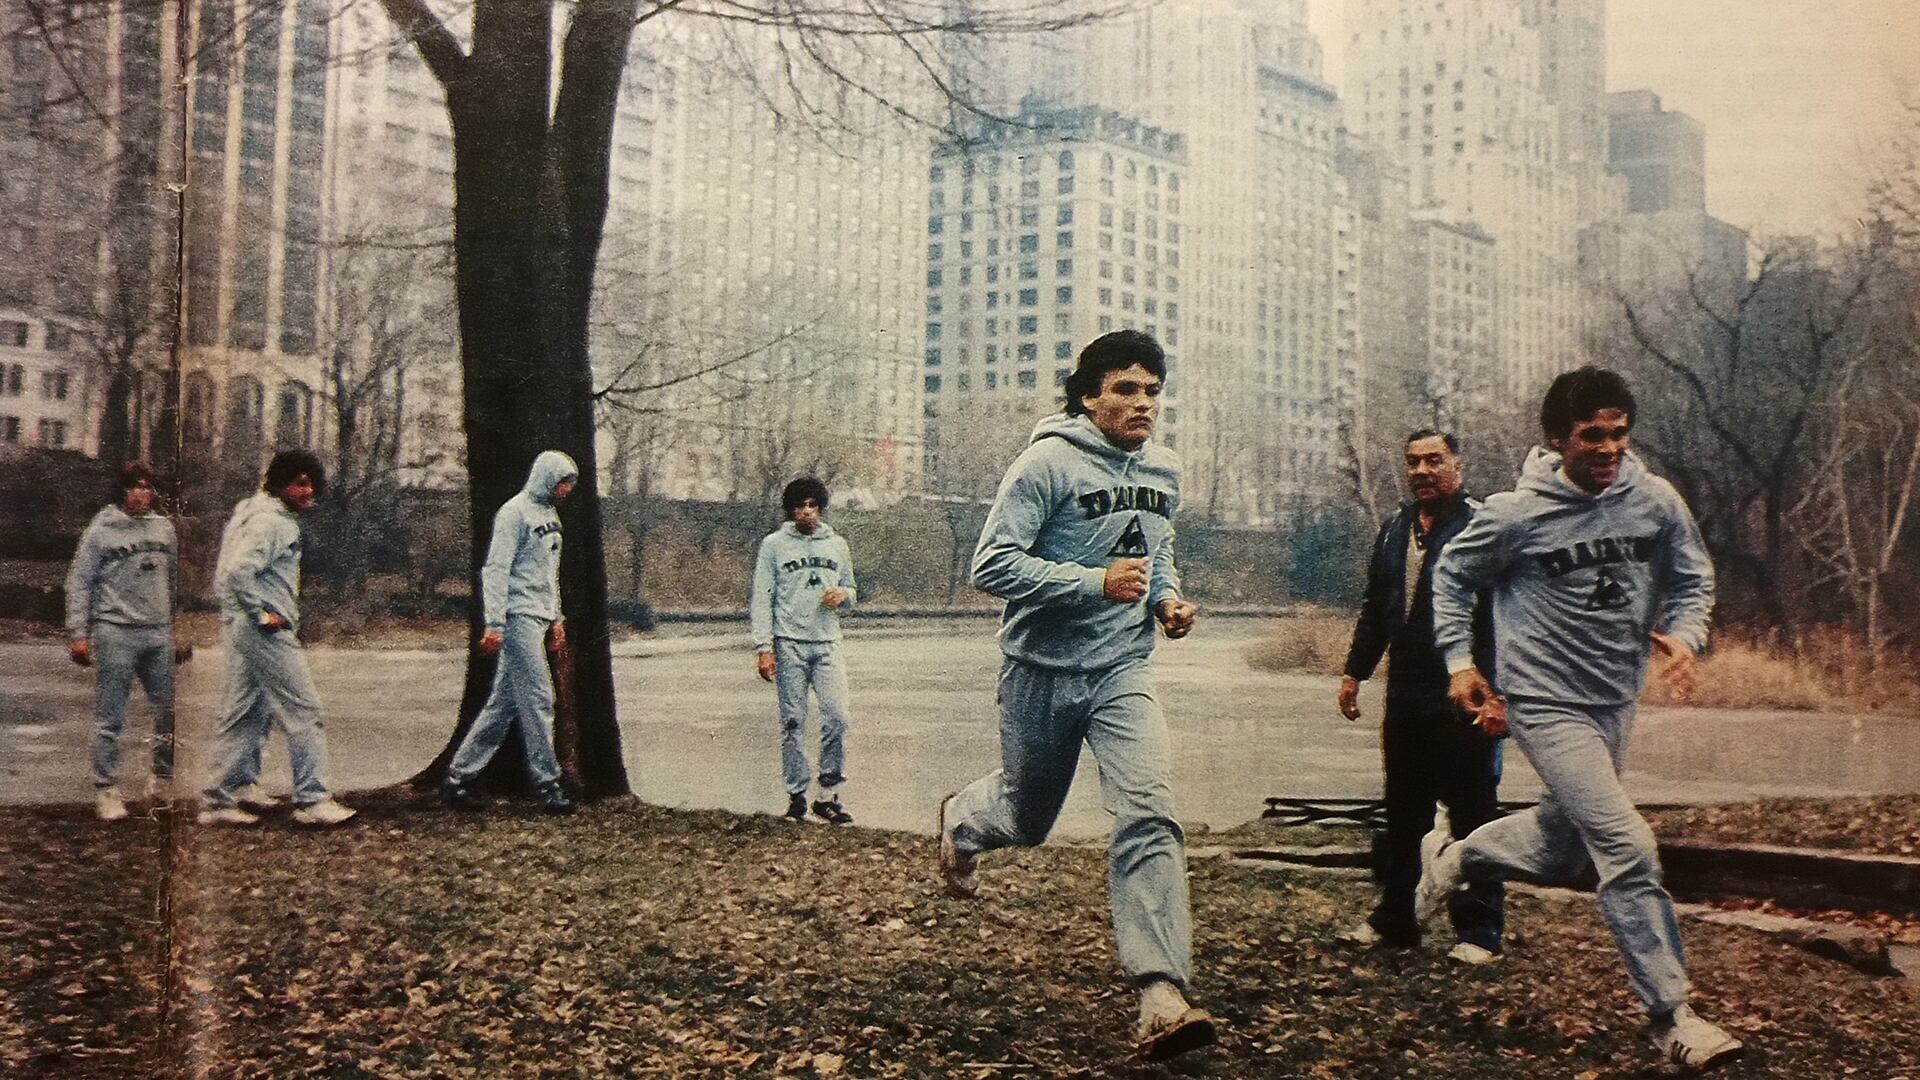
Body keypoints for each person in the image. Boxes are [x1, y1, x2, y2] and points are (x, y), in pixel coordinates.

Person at [1420, 367, 1744, 1072]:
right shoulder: (1516, 514)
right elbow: (1451, 576)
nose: (1607, 449)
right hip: (1542, 702)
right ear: (1558, 439)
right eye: (1591, 436)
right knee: (1626, 843)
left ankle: (1461, 855)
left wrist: (1685, 639)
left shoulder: (1654, 501)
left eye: (1619, 434)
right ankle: (1671, 1016)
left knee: (1566, 846)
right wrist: (1460, 662)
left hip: (1613, 699)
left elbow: (1694, 577)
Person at [936, 330, 1217, 1062]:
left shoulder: (1165, 470)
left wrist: (1167, 601)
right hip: (1039, 667)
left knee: (1149, 811)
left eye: (1153, 390)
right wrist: (1092, 583)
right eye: (1125, 389)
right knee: (1026, 819)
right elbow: (991, 564)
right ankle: (964, 820)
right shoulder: (1046, 463)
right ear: (1088, 395)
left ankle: (1160, 992)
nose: (1143, 404)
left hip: (1122, 670)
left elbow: (1157, 550)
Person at [1336, 430, 1505, 963]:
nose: (1422, 470)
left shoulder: (1482, 525)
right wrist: (1353, 673)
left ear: (1458, 463)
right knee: (1402, 810)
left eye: (1434, 460)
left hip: (1463, 692)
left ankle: (1479, 932)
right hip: (1405, 692)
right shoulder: (1394, 529)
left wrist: (1501, 692)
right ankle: (1396, 919)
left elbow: (1507, 614)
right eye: (1412, 462)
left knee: (1473, 810)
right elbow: (1376, 607)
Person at [200, 450, 356, 827]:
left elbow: (226, 575)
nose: (308, 491)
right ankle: (312, 800)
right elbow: (239, 572)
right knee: (304, 710)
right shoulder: (273, 523)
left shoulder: (252, 514)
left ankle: (219, 798)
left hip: (246, 627)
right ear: (279, 483)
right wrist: (259, 613)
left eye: (311, 483)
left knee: (245, 713)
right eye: (299, 483)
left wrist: (238, 616)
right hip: (266, 630)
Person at [442, 451, 580, 815]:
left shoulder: (550, 515)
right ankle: (547, 783)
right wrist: (495, 624)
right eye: (564, 481)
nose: (567, 489)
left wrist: (557, 619)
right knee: (538, 698)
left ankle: (459, 776)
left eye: (570, 483)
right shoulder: (513, 513)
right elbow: (496, 569)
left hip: (539, 616)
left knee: (502, 704)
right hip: (517, 616)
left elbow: (550, 573)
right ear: (547, 477)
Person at [65, 462, 185, 820]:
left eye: (147, 488)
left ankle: (161, 783)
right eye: (134, 487)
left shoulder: (164, 530)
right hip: (115, 630)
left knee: (167, 713)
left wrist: (171, 628)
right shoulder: (101, 530)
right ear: (121, 491)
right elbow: (79, 581)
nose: (141, 494)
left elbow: (171, 581)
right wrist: (77, 633)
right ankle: (107, 790)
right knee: (110, 716)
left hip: (157, 633)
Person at [750, 476, 859, 825]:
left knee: (838, 716)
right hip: (789, 643)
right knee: (793, 722)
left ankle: (828, 794)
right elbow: (761, 598)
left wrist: (844, 596)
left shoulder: (837, 545)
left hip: (828, 643)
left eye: (812, 505)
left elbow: (852, 590)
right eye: (799, 506)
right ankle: (796, 795)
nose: (806, 513)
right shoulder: (774, 545)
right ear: (791, 510)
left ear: (821, 508)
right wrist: (764, 647)